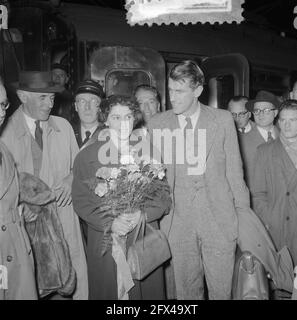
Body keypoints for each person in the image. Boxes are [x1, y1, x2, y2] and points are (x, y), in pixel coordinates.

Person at [148, 60, 250, 300]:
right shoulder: (157, 124)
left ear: (198, 91)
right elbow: (152, 178)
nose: (173, 97)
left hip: (219, 220)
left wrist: (243, 219)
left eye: (180, 91)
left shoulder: (223, 120)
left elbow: (235, 172)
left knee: (222, 292)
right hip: (177, 222)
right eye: (171, 89)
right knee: (186, 294)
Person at [72, 95, 171, 300]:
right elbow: (82, 201)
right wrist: (110, 222)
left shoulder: (149, 151)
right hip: (106, 240)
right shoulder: (87, 156)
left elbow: (163, 197)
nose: (123, 123)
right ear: (105, 120)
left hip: (142, 237)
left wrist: (142, 214)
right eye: (116, 117)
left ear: (135, 119)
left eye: (128, 117)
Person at [0, 71, 88, 299]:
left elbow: (80, 168)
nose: (49, 104)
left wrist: (71, 178)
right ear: (22, 96)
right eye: (42, 98)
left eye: (52, 98)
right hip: (24, 226)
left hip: (63, 218)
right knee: (29, 284)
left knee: (69, 283)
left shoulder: (63, 126)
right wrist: (20, 204)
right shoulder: (4, 133)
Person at [252, 99, 297, 265]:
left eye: (293, 120)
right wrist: (268, 220)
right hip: (276, 231)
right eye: (282, 120)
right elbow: (258, 194)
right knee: (280, 282)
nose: (286, 125)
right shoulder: (264, 152)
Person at [0, 82, 37, 300]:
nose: (1, 113)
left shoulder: (3, 149)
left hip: (14, 250)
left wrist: (16, 206)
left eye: (3, 104)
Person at [239, 91, 279, 189]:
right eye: (256, 110)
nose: (260, 114)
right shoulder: (241, 141)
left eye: (266, 110)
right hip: (255, 200)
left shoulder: (286, 137)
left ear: (275, 112)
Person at [73, 79, 105, 150]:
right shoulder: (68, 133)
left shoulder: (109, 135)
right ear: (76, 106)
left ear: (100, 106)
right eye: (82, 101)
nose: (87, 107)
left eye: (93, 101)